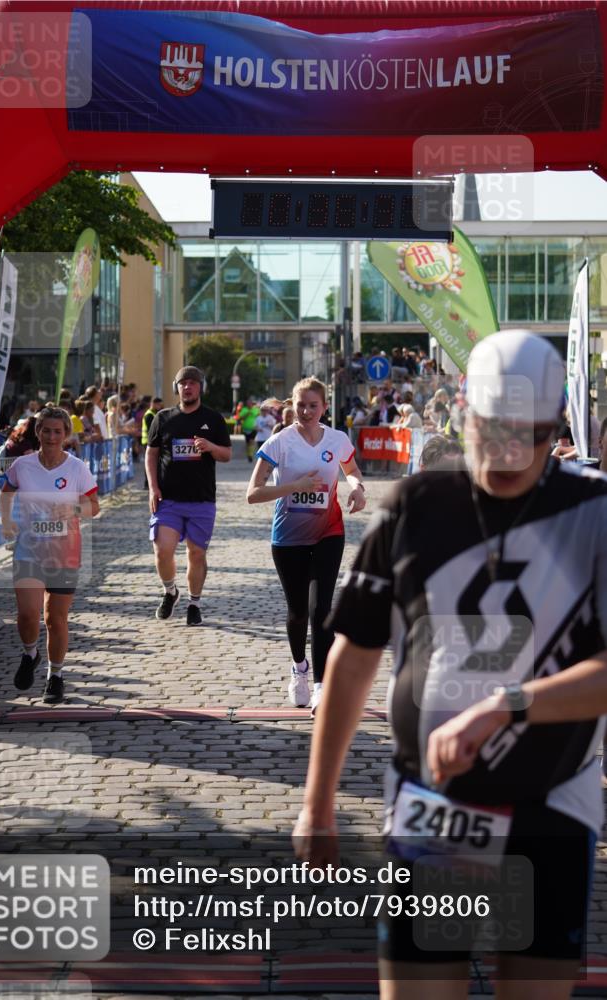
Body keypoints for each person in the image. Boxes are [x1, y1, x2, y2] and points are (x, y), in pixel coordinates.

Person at [294, 330, 607, 998]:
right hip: (432, 804)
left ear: (554, 428)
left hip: (551, 798)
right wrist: (318, 803)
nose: (501, 455)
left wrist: (505, 706)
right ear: (462, 411)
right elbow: (352, 653)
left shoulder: (593, 513)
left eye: (523, 436)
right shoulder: (415, 503)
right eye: (488, 430)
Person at [247, 377, 366, 716]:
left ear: (324, 407)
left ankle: (320, 687)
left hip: (329, 530)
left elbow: (352, 469)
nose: (307, 411)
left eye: (313, 405)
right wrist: (294, 486)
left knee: (321, 610)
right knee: (298, 612)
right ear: (292, 406)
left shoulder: (337, 439)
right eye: (301, 405)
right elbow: (252, 493)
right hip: (288, 537)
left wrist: (357, 488)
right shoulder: (279, 443)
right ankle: (300, 669)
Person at [0, 406, 99, 704]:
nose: (52, 436)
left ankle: (55, 676)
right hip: (29, 549)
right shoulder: (22, 465)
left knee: (55, 618)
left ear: (66, 435)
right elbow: (5, 494)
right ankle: (30, 653)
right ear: (38, 432)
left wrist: (71, 509)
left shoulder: (77, 468)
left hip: (65, 551)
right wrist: (6, 522)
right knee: (28, 615)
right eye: (46, 431)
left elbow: (94, 506)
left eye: (58, 431)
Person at [145, 365, 232, 626]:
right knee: (162, 551)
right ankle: (170, 591)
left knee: (196, 554)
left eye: (193, 383)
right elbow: (151, 453)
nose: (188, 387)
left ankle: (194, 602)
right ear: (176, 387)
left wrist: (210, 446)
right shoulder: (163, 418)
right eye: (183, 383)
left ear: (200, 387)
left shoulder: (213, 419)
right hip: (168, 499)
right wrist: (152, 487)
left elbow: (226, 454)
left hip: (201, 499)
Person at [239, 397, 259, 462]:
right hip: (245, 428)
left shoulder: (255, 409)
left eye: (250, 403)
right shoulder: (244, 409)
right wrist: (247, 414)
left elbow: (259, 416)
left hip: (253, 428)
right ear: (246, 404)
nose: (249, 404)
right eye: (248, 403)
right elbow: (240, 418)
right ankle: (248, 454)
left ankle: (250, 455)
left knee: (251, 441)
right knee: (248, 443)